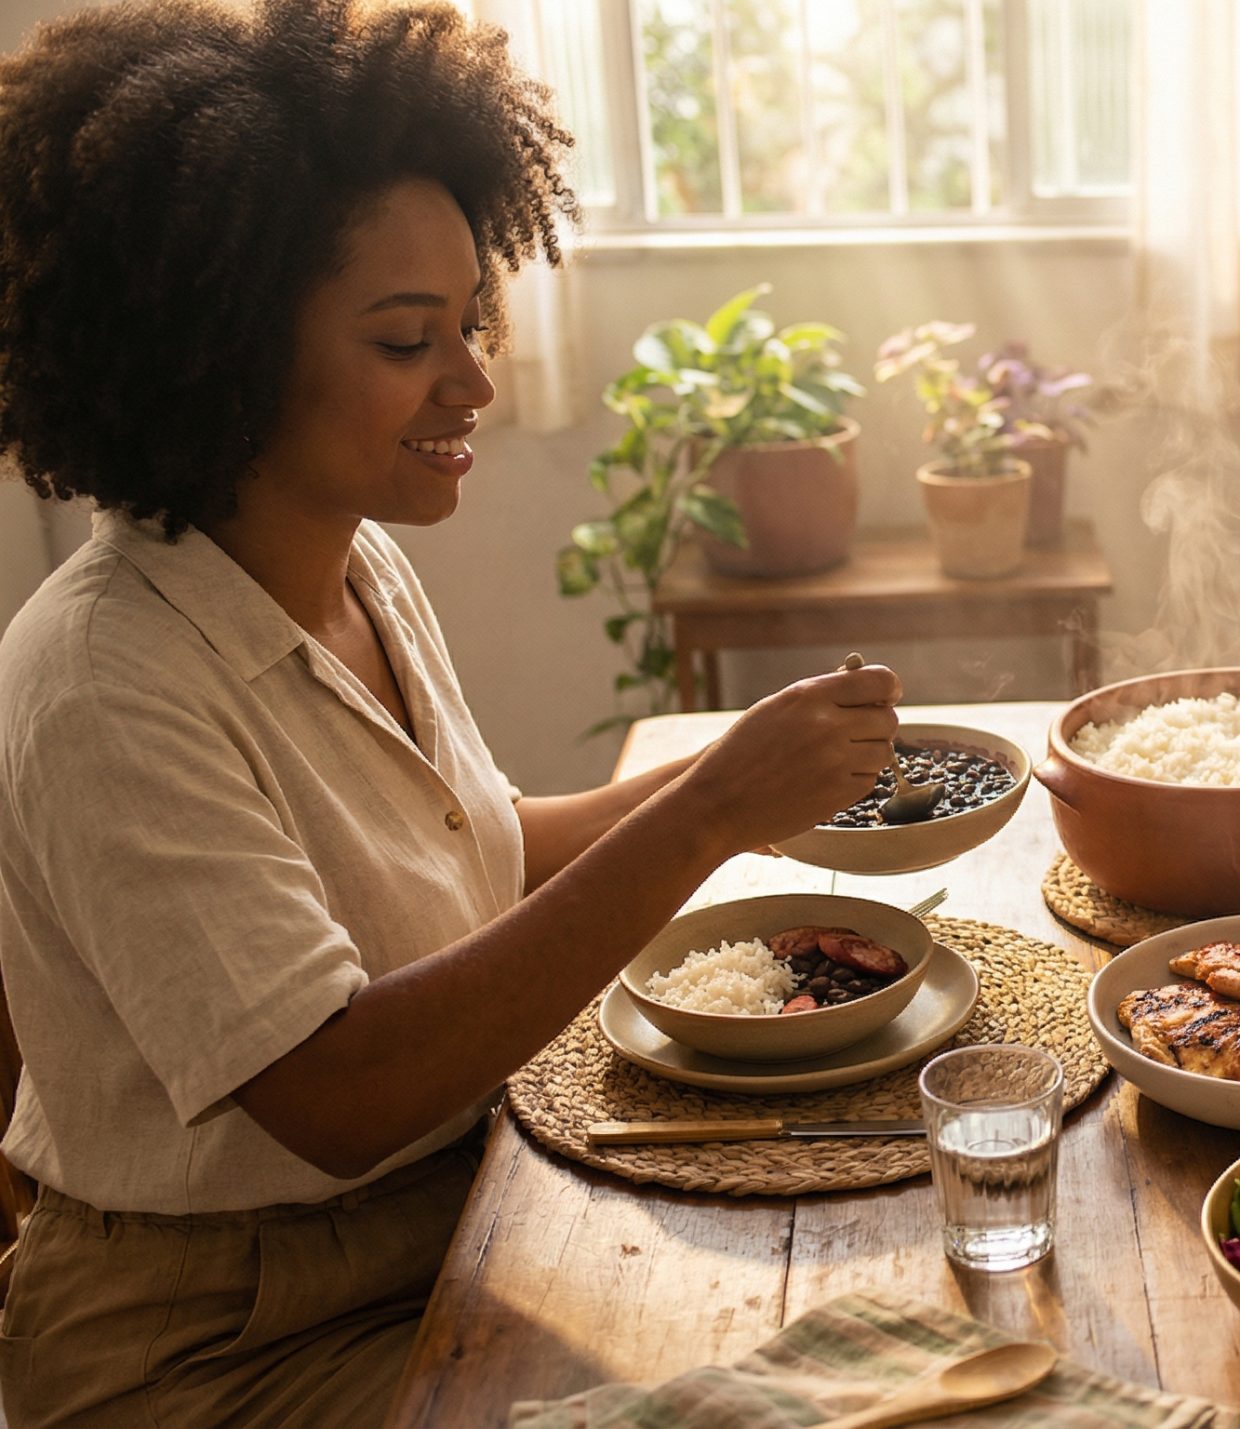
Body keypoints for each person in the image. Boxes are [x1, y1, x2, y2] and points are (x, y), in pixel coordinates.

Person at [0, 3, 901, 1424]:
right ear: (223, 355)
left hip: (450, 1216)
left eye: (467, 318)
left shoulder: (356, 563)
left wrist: (736, 777)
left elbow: (470, 846)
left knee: (856, 1308)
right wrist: (711, 814)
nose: (474, 378)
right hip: (214, 1344)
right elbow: (340, 1086)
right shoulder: (104, 679)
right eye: (409, 338)